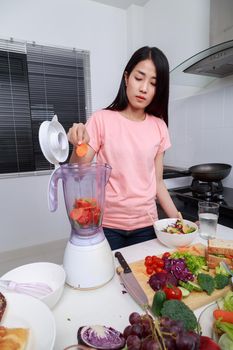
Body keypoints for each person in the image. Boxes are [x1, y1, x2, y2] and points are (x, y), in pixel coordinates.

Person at [67, 46, 179, 250]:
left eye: (153, 83)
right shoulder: (101, 119)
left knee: (141, 280)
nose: (144, 88)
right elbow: (77, 173)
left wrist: (179, 223)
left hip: (147, 225)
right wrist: (78, 145)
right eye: (139, 78)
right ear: (126, 78)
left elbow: (158, 183)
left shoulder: (159, 126)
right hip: (107, 225)